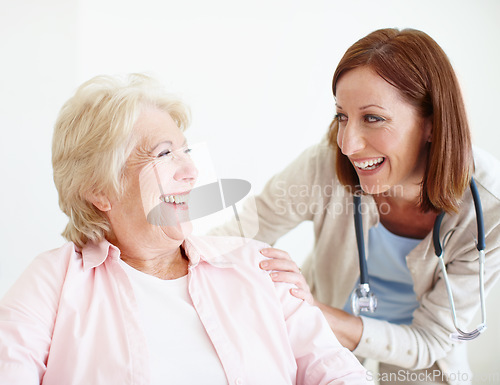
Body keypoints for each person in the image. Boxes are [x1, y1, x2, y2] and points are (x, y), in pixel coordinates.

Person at [0, 74, 372, 384]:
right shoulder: (52, 281)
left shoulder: (258, 266)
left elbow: (335, 372)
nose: (191, 172)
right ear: (100, 189)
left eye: (186, 152)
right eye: (164, 155)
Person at [211, 28, 500, 385]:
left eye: (373, 118)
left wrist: (315, 311)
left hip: (423, 367)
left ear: (431, 123)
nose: (347, 144)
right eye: (341, 116)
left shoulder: (489, 211)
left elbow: (429, 341)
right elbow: (239, 232)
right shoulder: (324, 164)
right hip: (325, 348)